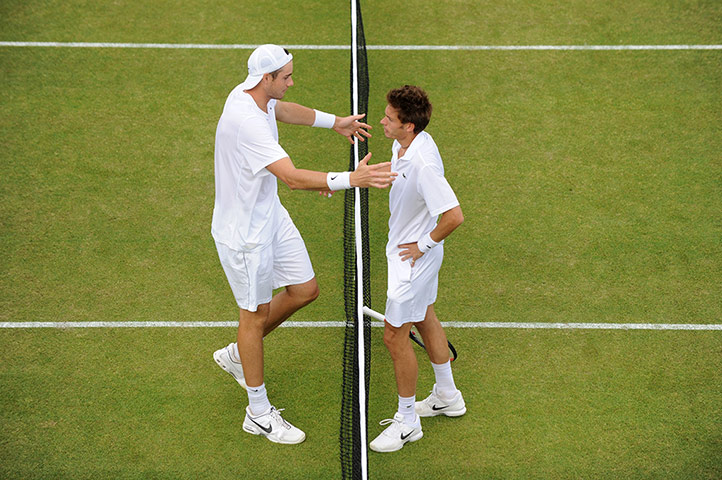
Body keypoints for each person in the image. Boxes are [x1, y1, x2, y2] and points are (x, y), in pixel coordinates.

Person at [211, 44, 396, 445]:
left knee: (304, 290)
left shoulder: (252, 96)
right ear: (266, 78)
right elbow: (292, 178)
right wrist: (351, 180)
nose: (291, 82)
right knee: (253, 316)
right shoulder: (246, 122)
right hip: (245, 235)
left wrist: (336, 123)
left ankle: (237, 355)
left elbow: (282, 109)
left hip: (268, 215)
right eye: (286, 77)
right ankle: (258, 413)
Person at [369, 85, 465, 453]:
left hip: (412, 262)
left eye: (389, 119)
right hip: (405, 254)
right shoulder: (404, 145)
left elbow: (453, 216)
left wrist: (422, 245)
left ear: (408, 126)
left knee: (394, 337)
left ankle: (407, 421)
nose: (383, 121)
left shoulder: (423, 164)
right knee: (425, 316)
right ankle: (447, 394)